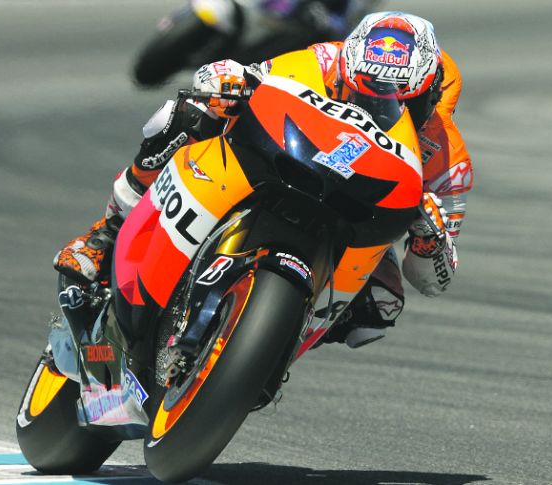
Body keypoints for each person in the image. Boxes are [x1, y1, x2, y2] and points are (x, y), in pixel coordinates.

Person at [54, 11, 473, 349]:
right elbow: (242, 76)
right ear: (347, 69)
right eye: (363, 89)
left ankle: (273, 343)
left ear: (431, 93)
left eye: (405, 98)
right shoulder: (322, 60)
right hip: (280, 160)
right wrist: (226, 79)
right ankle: (105, 234)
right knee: (186, 114)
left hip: (352, 213)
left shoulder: (447, 156)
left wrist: (429, 238)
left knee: (383, 303)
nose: (381, 103)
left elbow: (434, 281)